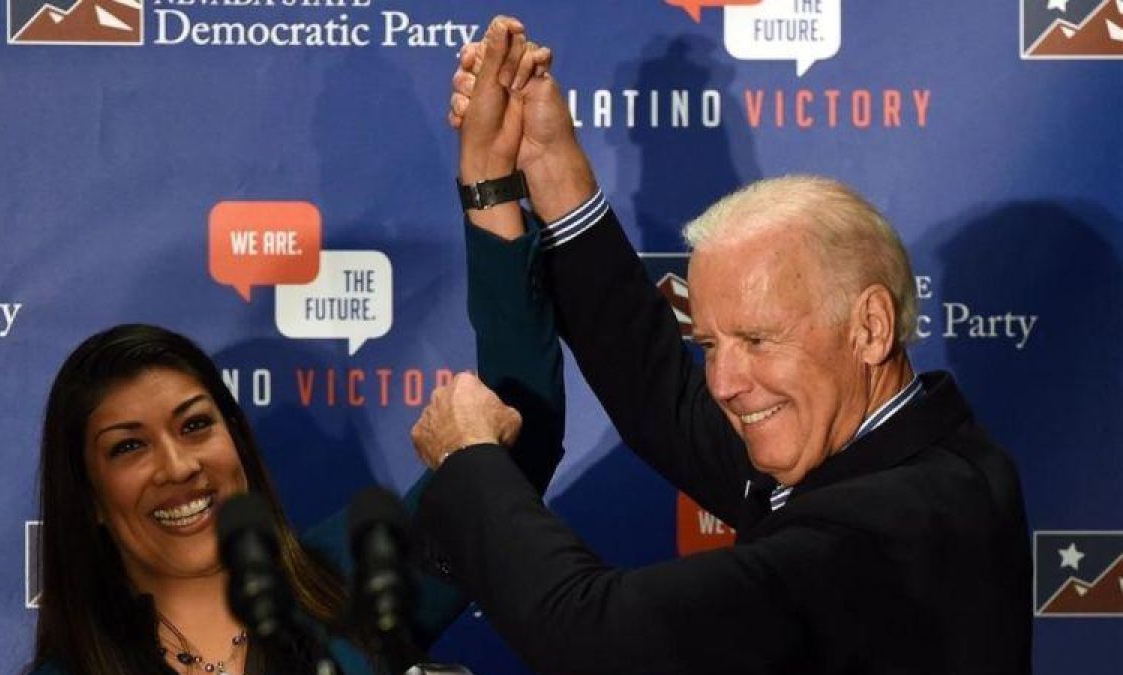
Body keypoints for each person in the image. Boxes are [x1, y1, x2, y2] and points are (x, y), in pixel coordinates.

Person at [409, 16, 1032, 674]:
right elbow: (661, 395)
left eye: (758, 339)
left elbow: (596, 635)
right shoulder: (908, 450)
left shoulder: (887, 528)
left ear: (870, 326)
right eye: (710, 342)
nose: (724, 380)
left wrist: (470, 460)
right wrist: (546, 163)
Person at [27, 218, 565, 675]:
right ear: (90, 495)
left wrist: (489, 184)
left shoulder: (352, 578)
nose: (179, 466)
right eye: (128, 448)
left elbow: (514, 437)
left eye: (194, 426)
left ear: (235, 439)